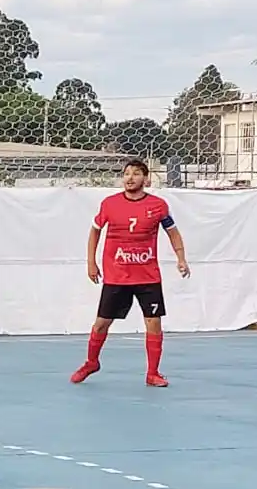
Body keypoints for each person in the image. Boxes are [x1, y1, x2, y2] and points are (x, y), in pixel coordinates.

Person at [72, 159, 190, 387]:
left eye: (136, 174)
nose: (130, 177)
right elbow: (95, 232)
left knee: (153, 322)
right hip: (117, 275)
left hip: (147, 276)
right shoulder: (109, 204)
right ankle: (91, 362)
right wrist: (91, 262)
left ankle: (153, 373)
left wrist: (181, 258)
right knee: (101, 324)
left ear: (146, 179)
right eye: (126, 173)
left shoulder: (158, 206)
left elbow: (173, 232)